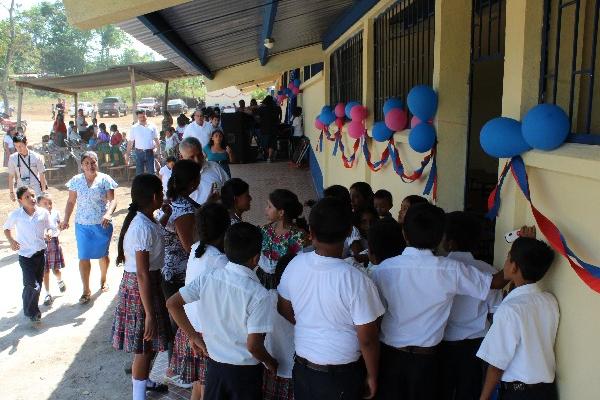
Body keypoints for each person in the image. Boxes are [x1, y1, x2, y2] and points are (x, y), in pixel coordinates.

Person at [369, 203, 506, 400]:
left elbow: (375, 317)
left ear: (404, 233)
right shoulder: (450, 270)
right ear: (440, 238)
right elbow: (495, 282)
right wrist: (516, 262)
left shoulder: (383, 270)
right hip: (427, 361)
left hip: (390, 358)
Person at [277, 197, 385, 400]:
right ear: (347, 233)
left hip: (303, 370)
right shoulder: (356, 279)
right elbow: (368, 339)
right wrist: (372, 375)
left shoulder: (294, 265)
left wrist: (309, 324)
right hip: (340, 377)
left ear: (311, 233)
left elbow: (283, 308)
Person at [167, 222, 277, 400]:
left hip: (215, 368)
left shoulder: (208, 278)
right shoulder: (259, 295)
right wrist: (270, 362)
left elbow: (172, 304)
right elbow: (254, 346)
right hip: (245, 375)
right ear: (256, 259)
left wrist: (194, 336)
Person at [476, 235, 559, 400]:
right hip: (546, 392)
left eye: (508, 257)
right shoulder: (549, 301)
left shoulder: (509, 310)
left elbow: (496, 366)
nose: (505, 262)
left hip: (519, 393)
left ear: (514, 267)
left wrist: (483, 398)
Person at [111, 174, 171, 400]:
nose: (164, 197)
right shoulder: (140, 227)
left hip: (147, 284)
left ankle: (144, 381)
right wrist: (148, 314)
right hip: (141, 287)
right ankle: (138, 395)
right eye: (162, 194)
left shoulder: (147, 220)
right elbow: (142, 273)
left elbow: (155, 238)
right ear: (155, 196)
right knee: (144, 347)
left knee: (150, 343)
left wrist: (165, 215)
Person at [438, 212, 503, 400]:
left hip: (442, 345)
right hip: (475, 348)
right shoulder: (488, 271)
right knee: (470, 392)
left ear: (449, 242)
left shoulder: (439, 269)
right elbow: (497, 312)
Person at [169, 203, 230, 399]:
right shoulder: (220, 261)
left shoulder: (196, 249)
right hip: (204, 335)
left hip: (190, 329)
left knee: (198, 385)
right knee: (207, 389)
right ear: (225, 229)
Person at [159, 159, 201, 367]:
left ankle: (177, 366)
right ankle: (180, 368)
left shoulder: (173, 200)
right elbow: (188, 245)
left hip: (172, 270)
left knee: (178, 322)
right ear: (194, 182)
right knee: (182, 323)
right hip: (177, 273)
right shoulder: (182, 208)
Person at [61, 151, 118, 304]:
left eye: (93, 162)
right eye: (86, 163)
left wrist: (108, 214)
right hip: (82, 226)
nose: (90, 165)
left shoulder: (105, 179)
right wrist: (66, 219)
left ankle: (103, 280)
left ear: (97, 163)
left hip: (102, 224)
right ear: (82, 165)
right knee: (84, 256)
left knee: (103, 255)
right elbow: (71, 202)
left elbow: (112, 201)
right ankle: (86, 290)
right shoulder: (76, 181)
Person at [3, 186, 52, 323]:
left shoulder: (43, 212)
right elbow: (6, 229)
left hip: (40, 254)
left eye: (32, 195)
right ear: (20, 200)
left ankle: (31, 307)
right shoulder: (16, 215)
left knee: (38, 284)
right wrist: (12, 241)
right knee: (32, 284)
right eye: (27, 197)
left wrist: (48, 232)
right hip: (25, 256)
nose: (32, 199)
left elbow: (50, 226)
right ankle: (32, 311)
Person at [258, 189, 308, 289]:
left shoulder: (298, 236)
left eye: (269, 206)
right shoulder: (265, 229)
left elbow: (300, 262)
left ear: (281, 212)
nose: (265, 209)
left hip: (284, 280)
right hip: (262, 277)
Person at [179, 137, 228, 205]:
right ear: (181, 157)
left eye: (199, 155)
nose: (197, 160)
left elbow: (229, 190)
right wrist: (208, 204)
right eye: (192, 157)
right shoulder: (179, 178)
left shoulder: (215, 167)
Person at [38, 193, 67, 306]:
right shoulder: (36, 215)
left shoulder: (55, 213)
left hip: (54, 243)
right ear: (38, 204)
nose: (49, 205)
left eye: (50, 203)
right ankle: (47, 294)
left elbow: (59, 226)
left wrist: (62, 227)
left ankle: (59, 280)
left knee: (55, 270)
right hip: (41, 244)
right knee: (44, 271)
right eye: (45, 203)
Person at [8, 135, 47, 200]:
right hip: (21, 190)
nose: (18, 149)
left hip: (35, 189)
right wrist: (11, 192)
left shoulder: (36, 157)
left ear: (26, 143)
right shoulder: (12, 158)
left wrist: (44, 192)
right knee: (23, 209)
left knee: (36, 208)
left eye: (20, 146)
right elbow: (11, 176)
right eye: (16, 146)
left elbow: (42, 175)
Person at [126, 110, 161, 175]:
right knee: (139, 174)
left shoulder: (152, 127)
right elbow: (130, 142)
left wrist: (159, 153)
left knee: (152, 173)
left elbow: (157, 140)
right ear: (137, 117)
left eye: (143, 116)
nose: (142, 118)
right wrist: (127, 155)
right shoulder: (134, 128)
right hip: (138, 153)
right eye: (140, 117)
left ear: (146, 115)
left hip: (150, 152)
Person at [257, 96, 281, 163]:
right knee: (272, 143)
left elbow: (258, 118)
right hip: (274, 129)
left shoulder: (261, 109)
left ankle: (269, 156)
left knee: (266, 144)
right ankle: (270, 157)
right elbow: (279, 118)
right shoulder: (276, 108)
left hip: (265, 129)